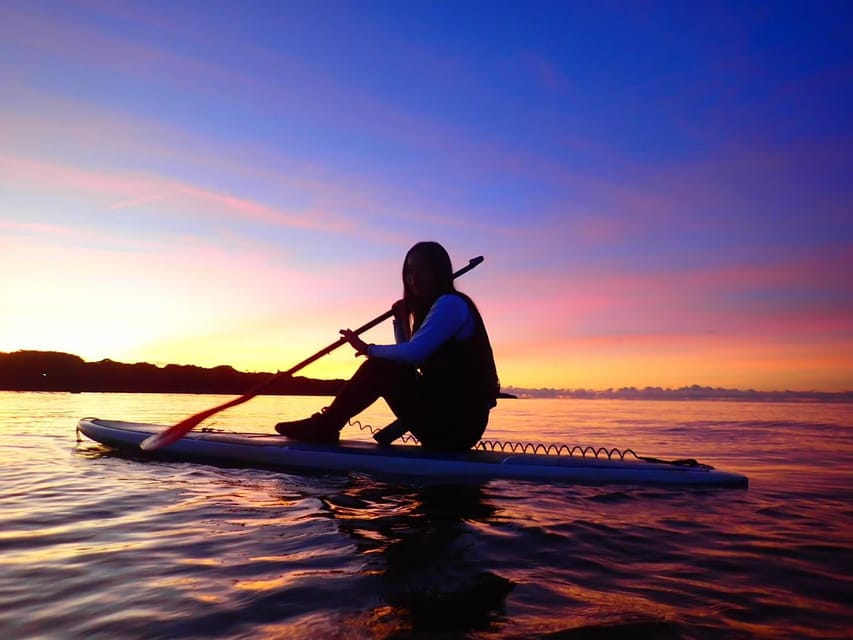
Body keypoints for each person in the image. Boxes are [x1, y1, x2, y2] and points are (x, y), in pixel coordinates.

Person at [275, 241, 499, 450]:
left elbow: (414, 353)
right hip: (442, 414)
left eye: (422, 269)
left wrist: (368, 349)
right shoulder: (435, 309)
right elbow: (412, 362)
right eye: (409, 271)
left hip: (457, 422)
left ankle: (325, 425)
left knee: (379, 367)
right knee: (386, 366)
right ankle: (327, 424)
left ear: (439, 271)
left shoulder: (451, 303)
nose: (413, 277)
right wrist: (401, 322)